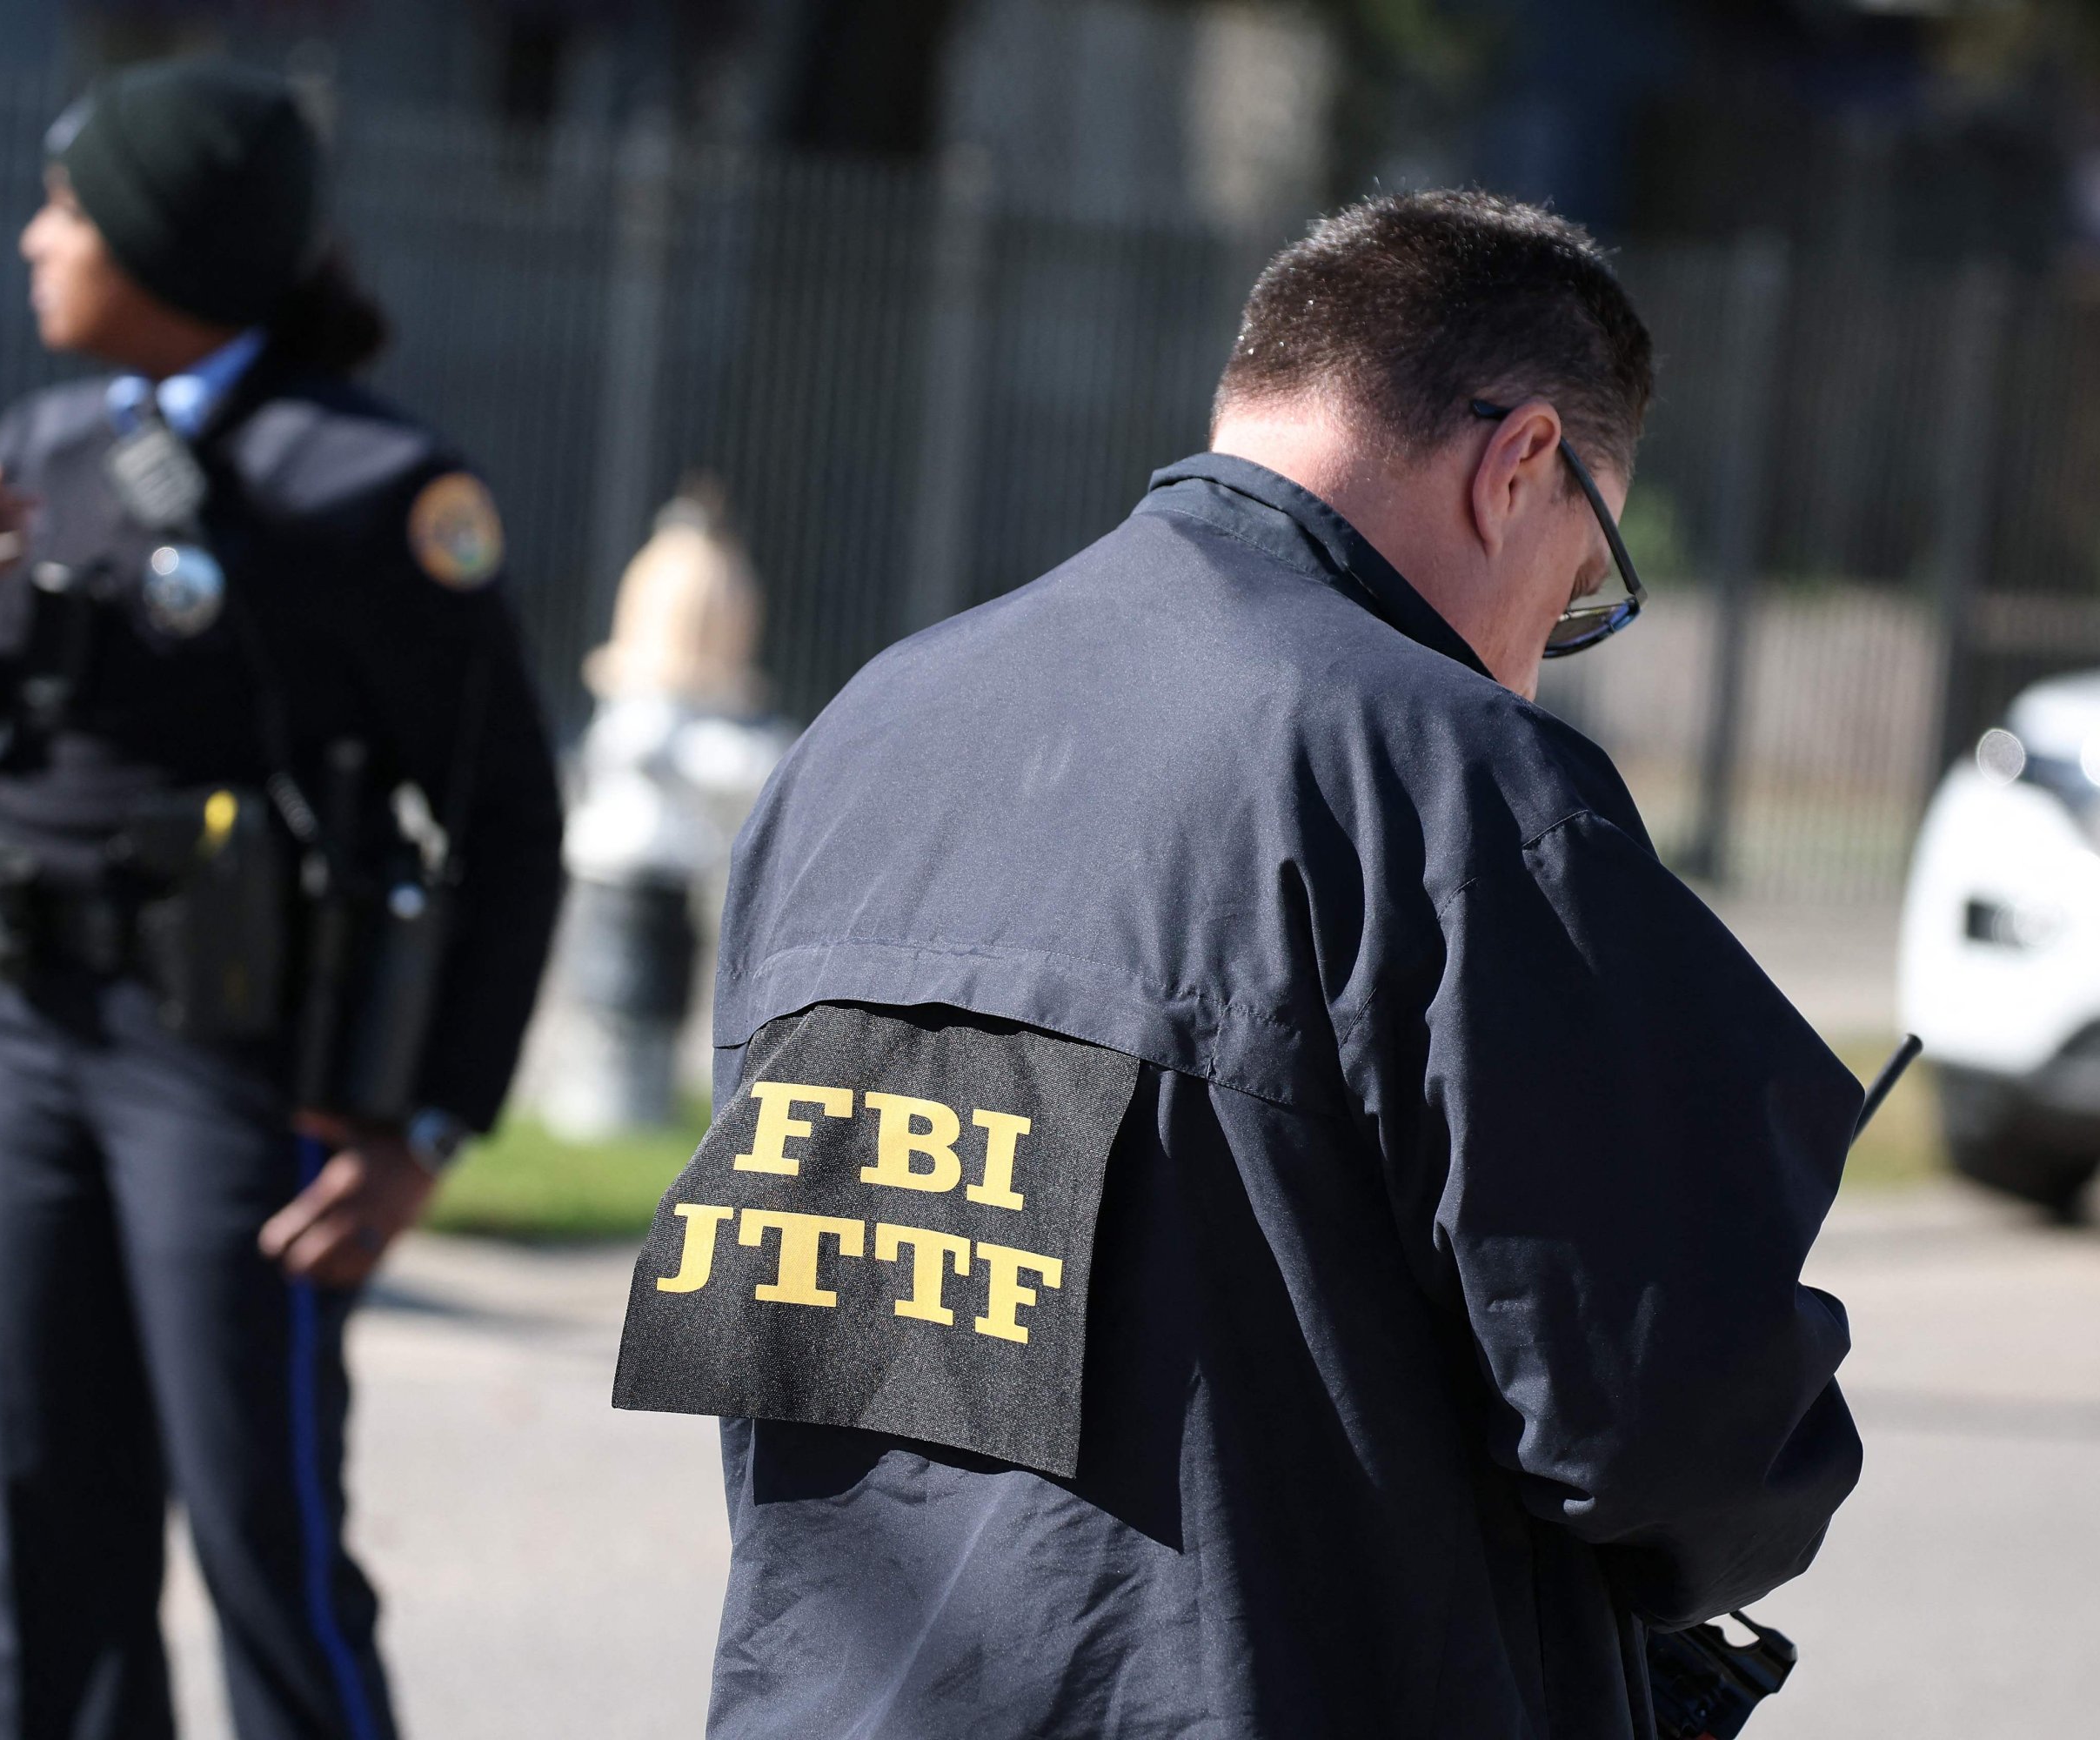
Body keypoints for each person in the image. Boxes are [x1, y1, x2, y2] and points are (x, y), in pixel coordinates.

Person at [612, 191, 1862, 1738]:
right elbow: (1667, 1416)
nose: (1552, 643)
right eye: (1588, 585)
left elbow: (805, 1353)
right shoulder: (1449, 777)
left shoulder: (862, 736)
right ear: (1521, 463)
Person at [0, 60, 563, 1740]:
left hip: (238, 1086)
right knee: (53, 1536)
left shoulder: (373, 489)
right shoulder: (38, 448)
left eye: (68, 209)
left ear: (168, 246)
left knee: (266, 1542)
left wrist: (429, 1127)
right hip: (33, 1058)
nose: (32, 239)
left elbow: (508, 831)